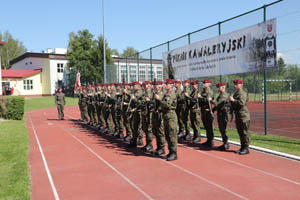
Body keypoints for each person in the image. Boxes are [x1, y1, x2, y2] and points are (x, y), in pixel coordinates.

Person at [155, 79, 178, 161]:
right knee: (167, 135)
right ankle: (170, 152)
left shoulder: (172, 94)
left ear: (171, 85)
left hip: (171, 116)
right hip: (166, 116)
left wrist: (159, 99)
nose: (165, 85)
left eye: (167, 84)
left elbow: (167, 105)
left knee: (172, 136)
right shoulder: (166, 93)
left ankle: (174, 153)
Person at [229, 80, 251, 155]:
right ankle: (242, 147)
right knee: (240, 132)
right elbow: (234, 104)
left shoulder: (242, 93)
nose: (235, 85)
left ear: (241, 85)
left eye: (237, 84)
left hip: (244, 116)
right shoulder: (236, 93)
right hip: (238, 115)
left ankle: (246, 148)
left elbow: (241, 103)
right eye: (235, 84)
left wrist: (233, 100)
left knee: (245, 132)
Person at [213, 83, 230, 150]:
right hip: (220, 114)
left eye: (219, 87)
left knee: (224, 129)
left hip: (224, 115)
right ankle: (225, 143)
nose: (218, 89)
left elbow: (217, 103)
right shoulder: (220, 95)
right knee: (221, 129)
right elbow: (217, 106)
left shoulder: (224, 95)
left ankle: (226, 144)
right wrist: (213, 109)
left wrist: (211, 100)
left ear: (223, 87)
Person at [199, 80, 215, 147]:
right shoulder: (203, 91)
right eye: (203, 83)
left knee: (209, 126)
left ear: (209, 84)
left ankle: (211, 141)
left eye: (205, 83)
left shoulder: (209, 91)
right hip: (203, 110)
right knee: (206, 125)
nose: (203, 84)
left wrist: (200, 97)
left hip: (208, 110)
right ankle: (208, 140)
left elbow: (208, 101)